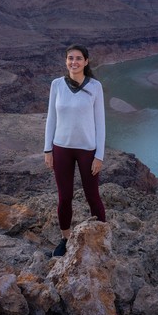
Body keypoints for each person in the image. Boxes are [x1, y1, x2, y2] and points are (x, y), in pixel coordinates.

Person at [44, 44, 107, 257]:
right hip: (61, 148)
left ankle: (100, 239)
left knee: (93, 196)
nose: (74, 62)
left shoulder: (95, 86)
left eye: (78, 58)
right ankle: (66, 239)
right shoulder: (57, 85)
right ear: (66, 61)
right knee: (65, 197)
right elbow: (51, 118)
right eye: (70, 58)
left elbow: (101, 123)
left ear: (86, 61)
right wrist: (47, 149)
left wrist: (99, 155)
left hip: (87, 150)